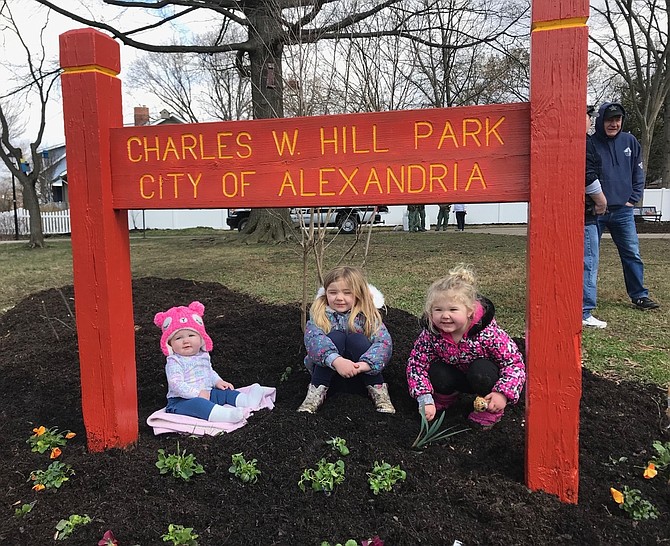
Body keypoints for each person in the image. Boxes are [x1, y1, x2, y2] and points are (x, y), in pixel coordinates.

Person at [405, 264, 525, 429]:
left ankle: (490, 408)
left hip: (484, 378)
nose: (445, 316)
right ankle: (446, 397)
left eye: (453, 309)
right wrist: (424, 397)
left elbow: (513, 363)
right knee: (437, 371)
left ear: (470, 311)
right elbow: (416, 364)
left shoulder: (488, 333)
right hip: (456, 376)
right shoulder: (432, 334)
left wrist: (502, 393)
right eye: (438, 310)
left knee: (481, 370)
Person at [298, 265, 395, 414]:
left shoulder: (368, 316)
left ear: (358, 294)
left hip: (360, 376)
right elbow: (314, 340)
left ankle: (379, 392)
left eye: (347, 293)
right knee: (336, 337)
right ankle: (314, 395)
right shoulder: (319, 315)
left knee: (357, 339)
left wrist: (364, 365)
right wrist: (336, 360)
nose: (339, 298)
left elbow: (384, 344)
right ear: (325, 294)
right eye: (333, 292)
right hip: (330, 379)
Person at [592, 102, 660, 310]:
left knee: (632, 253)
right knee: (589, 258)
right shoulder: (590, 143)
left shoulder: (630, 141)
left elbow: (638, 173)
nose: (613, 124)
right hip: (595, 212)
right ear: (600, 120)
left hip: (623, 211)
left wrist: (633, 199)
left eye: (617, 120)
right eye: (609, 120)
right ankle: (585, 301)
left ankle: (639, 295)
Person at [154, 301, 264, 423]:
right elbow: (176, 384)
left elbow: (209, 372)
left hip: (207, 393)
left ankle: (248, 401)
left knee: (225, 392)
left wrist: (218, 381)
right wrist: (197, 393)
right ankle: (227, 415)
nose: (186, 341)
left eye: (191, 335)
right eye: (178, 338)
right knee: (199, 405)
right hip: (181, 400)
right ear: (170, 344)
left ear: (201, 339)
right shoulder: (174, 362)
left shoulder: (203, 356)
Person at [583, 106, 609, 328]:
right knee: (589, 262)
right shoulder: (582, 142)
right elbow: (587, 174)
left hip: (575, 213)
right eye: (588, 116)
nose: (590, 120)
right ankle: (584, 311)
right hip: (585, 214)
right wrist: (601, 200)